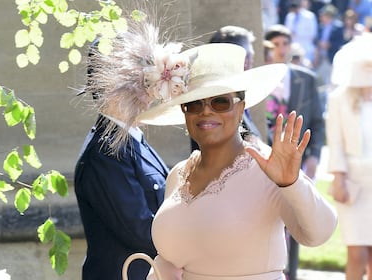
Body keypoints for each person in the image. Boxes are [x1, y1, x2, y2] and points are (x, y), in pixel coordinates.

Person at [134, 43, 337, 280]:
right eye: (194, 104)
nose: (206, 112)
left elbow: (319, 234)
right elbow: (168, 264)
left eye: (220, 102)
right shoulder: (178, 175)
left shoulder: (267, 168)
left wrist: (291, 183)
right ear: (185, 112)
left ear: (241, 109)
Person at [74, 17, 170, 280]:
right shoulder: (106, 151)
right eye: (140, 74)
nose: (149, 84)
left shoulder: (133, 140)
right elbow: (141, 230)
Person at [264, 24, 326, 280]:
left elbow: (317, 122)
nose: (281, 49)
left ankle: (292, 272)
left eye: (285, 44)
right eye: (276, 44)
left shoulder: (306, 78)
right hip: (264, 160)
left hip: (296, 159)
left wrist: (313, 157)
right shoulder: (259, 79)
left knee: (298, 216)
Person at [326, 33, 372, 280]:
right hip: (354, 183)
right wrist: (338, 178)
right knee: (357, 254)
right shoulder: (339, 99)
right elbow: (335, 142)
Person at [189, 25, 262, 153]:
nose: (249, 63)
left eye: (250, 57)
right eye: (247, 57)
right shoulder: (214, 104)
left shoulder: (235, 97)